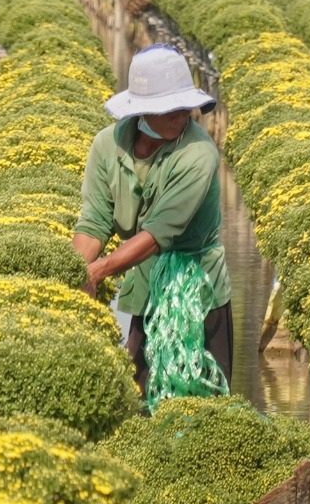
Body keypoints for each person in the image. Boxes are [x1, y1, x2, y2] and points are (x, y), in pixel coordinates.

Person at [72, 44, 232, 404]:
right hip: (145, 286)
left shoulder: (198, 153)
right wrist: (77, 274)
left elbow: (161, 232)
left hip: (198, 293)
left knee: (203, 399)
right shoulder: (105, 147)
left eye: (184, 107)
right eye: (169, 109)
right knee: (141, 397)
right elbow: (94, 222)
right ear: (142, 110)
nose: (181, 116)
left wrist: (98, 273)